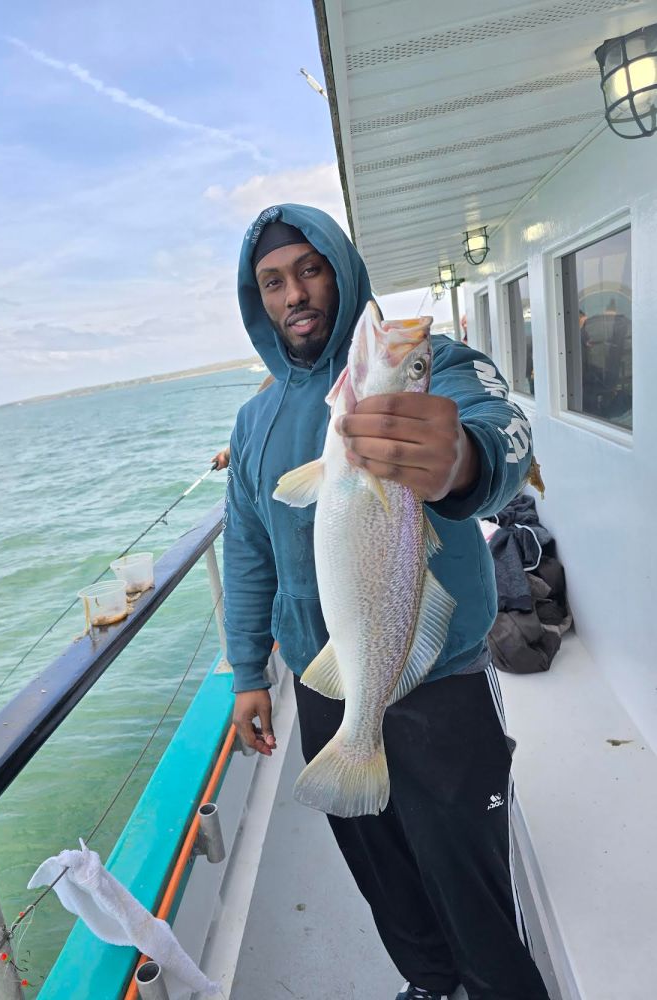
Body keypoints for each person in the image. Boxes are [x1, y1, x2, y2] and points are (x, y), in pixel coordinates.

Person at [222, 204, 549, 1000]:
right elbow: (247, 549)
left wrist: (460, 460)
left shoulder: (430, 365)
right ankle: (431, 985)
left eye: (310, 269)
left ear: (340, 270)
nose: (295, 292)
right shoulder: (255, 419)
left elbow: (499, 429)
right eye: (273, 281)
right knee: (385, 875)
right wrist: (246, 673)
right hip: (325, 680)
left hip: (438, 679)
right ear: (257, 300)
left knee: (470, 883)